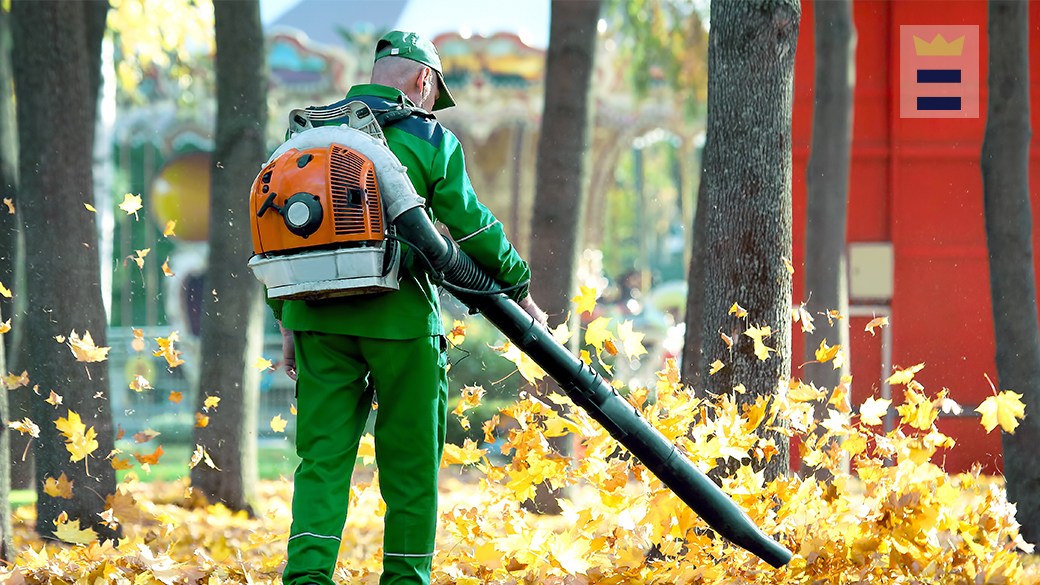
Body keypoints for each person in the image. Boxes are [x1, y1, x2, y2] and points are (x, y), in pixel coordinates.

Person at [268, 30, 547, 585]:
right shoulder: (427, 136)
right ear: (424, 79)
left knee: (321, 462)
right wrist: (520, 288)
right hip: (401, 323)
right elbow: (471, 227)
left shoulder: (308, 136)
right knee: (411, 468)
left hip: (316, 320)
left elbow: (278, 235)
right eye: (434, 92)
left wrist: (286, 323)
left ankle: (306, 579)